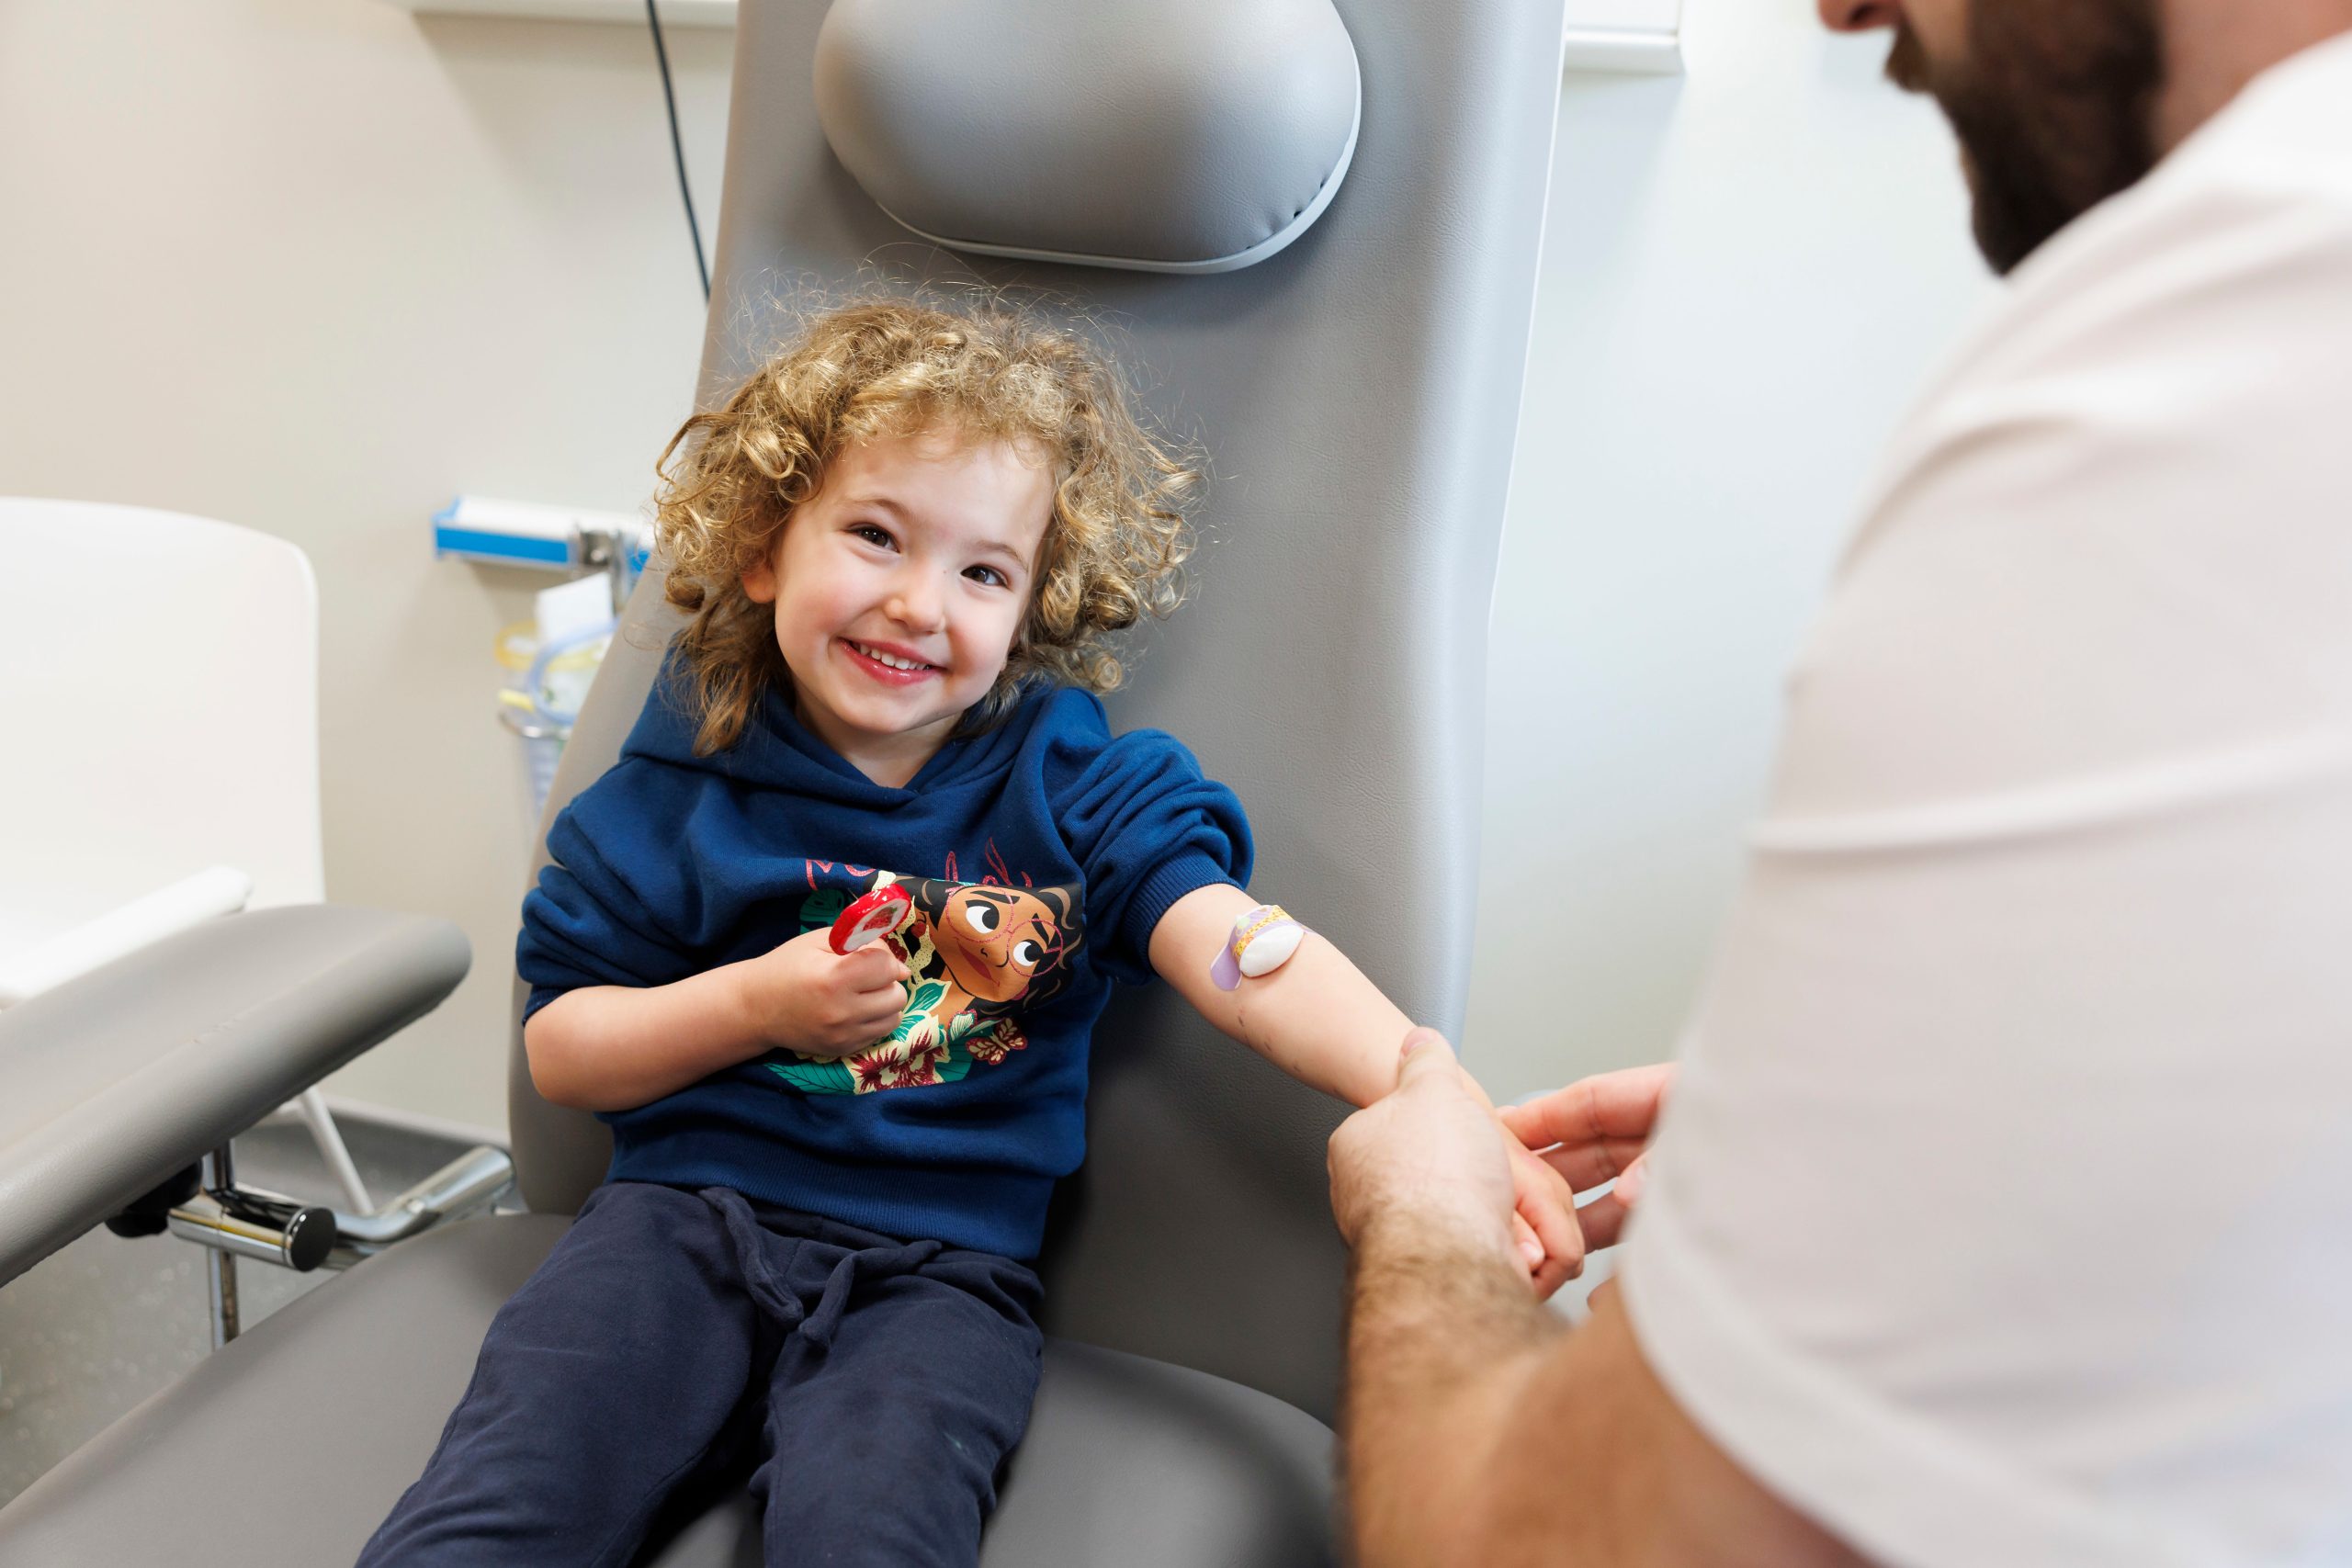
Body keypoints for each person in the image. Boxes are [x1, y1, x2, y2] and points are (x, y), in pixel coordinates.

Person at [1329, 2, 2352, 1563]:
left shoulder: (2221, 357)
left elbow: (1548, 1548)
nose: (1843, 7)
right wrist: (1888, 1155)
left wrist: (1424, 1223)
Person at [358, 296, 1577, 1568]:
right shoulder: (677, 787)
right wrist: (755, 1006)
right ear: (767, 545)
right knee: (498, 1510)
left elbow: (1243, 953)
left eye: (982, 572)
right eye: (876, 537)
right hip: (672, 1228)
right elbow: (564, 1050)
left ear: (1030, 606)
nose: (919, 605)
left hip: (937, 1280)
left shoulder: (1073, 790)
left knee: (873, 1539)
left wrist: (1431, 1090)